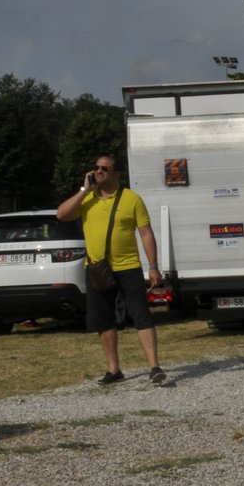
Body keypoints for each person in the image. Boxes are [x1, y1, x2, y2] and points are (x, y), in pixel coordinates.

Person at [55, 153, 165, 385]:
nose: (99, 171)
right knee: (102, 320)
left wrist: (153, 266)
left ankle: (154, 367)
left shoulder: (131, 199)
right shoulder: (87, 199)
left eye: (105, 168)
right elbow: (62, 214)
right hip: (97, 268)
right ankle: (114, 370)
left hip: (128, 267)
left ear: (117, 174)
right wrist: (84, 190)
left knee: (141, 316)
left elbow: (146, 233)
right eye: (96, 168)